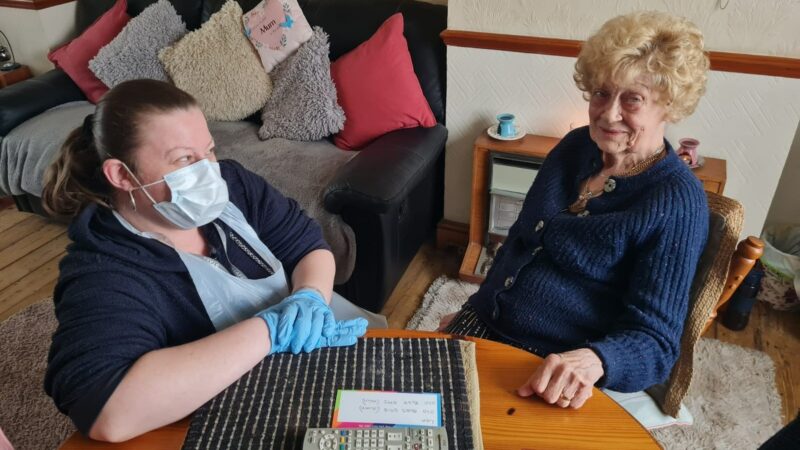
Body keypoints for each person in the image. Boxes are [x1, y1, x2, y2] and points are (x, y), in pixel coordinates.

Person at [41, 79, 385, 442]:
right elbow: (106, 411)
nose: (208, 170)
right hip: (235, 411)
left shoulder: (234, 184)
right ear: (122, 175)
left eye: (208, 150)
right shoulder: (103, 270)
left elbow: (307, 244)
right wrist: (269, 331)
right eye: (184, 159)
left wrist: (310, 296)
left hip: (309, 356)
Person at [439, 11, 710, 410]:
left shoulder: (676, 203)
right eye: (601, 93)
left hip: (553, 369)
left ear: (668, 106)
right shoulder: (575, 147)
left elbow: (655, 344)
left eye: (632, 99)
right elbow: (519, 243)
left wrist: (595, 360)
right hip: (486, 328)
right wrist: (472, 312)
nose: (608, 113)